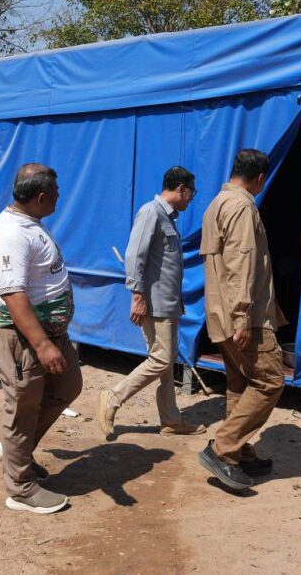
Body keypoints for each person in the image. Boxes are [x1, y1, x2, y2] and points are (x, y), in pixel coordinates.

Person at [0, 163, 82, 514]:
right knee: (23, 406)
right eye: (55, 193)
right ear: (40, 197)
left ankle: (17, 452)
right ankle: (21, 489)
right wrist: (41, 344)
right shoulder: (12, 233)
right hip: (21, 338)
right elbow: (13, 294)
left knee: (67, 386)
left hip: (49, 333)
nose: (59, 197)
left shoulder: (30, 222)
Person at [197, 149, 286, 491]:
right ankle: (223, 449)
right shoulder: (242, 206)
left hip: (219, 312)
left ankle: (238, 453)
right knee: (269, 380)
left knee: (239, 382)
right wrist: (243, 317)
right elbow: (241, 262)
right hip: (243, 317)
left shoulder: (216, 204)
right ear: (260, 178)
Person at [98, 166, 205, 439]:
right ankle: (113, 397)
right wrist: (137, 296)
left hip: (167, 303)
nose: (191, 198)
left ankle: (171, 420)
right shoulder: (151, 212)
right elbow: (135, 255)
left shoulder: (167, 217)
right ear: (181, 188)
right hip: (155, 304)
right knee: (160, 360)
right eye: (191, 192)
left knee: (165, 364)